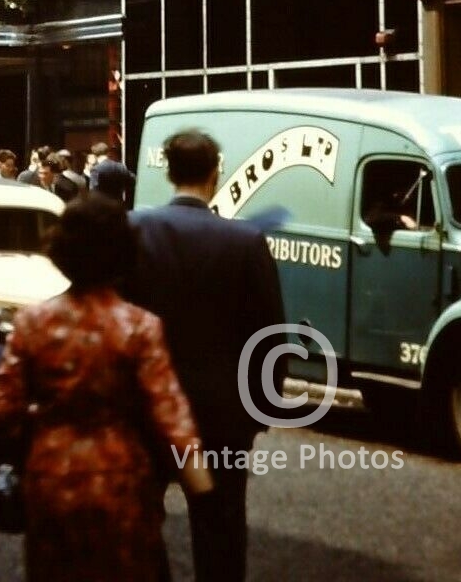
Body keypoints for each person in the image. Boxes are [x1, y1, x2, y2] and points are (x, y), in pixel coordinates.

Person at [0, 193, 211, 580]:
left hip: (51, 475)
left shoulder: (32, 323)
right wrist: (199, 482)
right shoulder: (139, 326)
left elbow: (2, 411)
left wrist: (34, 433)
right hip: (120, 476)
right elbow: (168, 411)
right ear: (122, 253)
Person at [128, 129, 284, 582]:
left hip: (147, 408)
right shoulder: (245, 241)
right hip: (220, 416)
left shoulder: (134, 230)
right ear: (215, 173)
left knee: (140, 525)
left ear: (170, 172)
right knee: (220, 530)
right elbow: (270, 335)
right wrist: (262, 407)